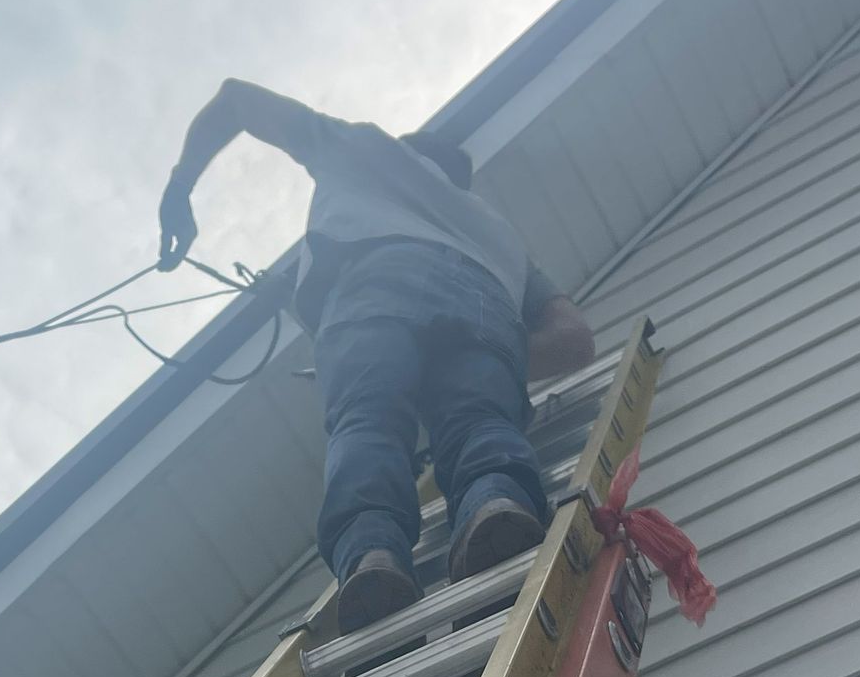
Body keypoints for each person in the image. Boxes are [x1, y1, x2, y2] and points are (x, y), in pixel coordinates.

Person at [158, 80, 597, 631]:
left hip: (371, 289)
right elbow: (576, 338)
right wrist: (503, 358)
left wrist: (180, 187)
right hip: (484, 302)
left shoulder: (366, 151)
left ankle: (373, 554)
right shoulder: (496, 232)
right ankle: (494, 500)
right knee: (480, 418)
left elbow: (235, 100)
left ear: (408, 150)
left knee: (368, 423)